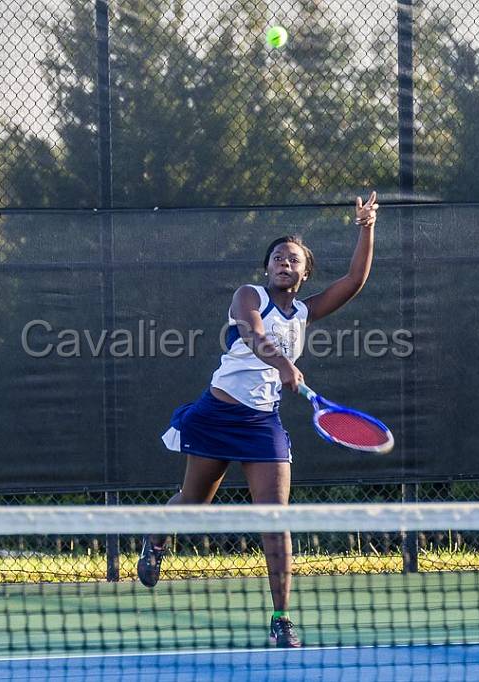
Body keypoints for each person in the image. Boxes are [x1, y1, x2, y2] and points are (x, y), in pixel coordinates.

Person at [138, 192, 379, 648]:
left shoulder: (305, 311)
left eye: (293, 258)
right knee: (192, 505)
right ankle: (156, 536)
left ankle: (281, 619)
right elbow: (253, 334)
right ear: (267, 268)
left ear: (305, 272)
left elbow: (353, 279)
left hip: (262, 425)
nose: (283, 262)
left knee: (275, 519)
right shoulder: (249, 295)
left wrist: (366, 226)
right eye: (276, 257)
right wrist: (284, 364)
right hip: (217, 415)